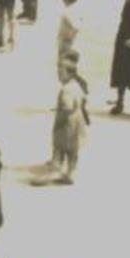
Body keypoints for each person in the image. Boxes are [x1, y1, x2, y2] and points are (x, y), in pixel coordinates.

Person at [47, 51, 90, 184]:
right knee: (73, 151)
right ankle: (71, 173)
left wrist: (60, 112)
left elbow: (67, 106)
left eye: (61, 72)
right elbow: (83, 101)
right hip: (78, 123)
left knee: (61, 148)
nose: (59, 75)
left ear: (70, 73)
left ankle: (57, 170)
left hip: (67, 124)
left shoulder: (67, 89)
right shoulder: (77, 86)